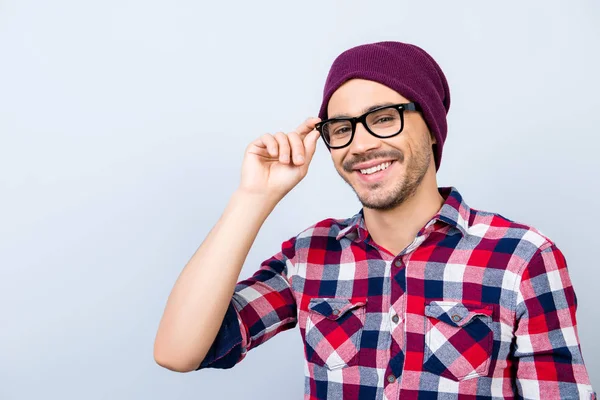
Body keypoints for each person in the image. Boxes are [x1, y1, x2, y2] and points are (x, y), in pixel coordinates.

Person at [154, 41, 596, 399]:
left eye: (383, 119)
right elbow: (180, 351)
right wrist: (253, 197)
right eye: (342, 128)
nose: (360, 145)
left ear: (431, 125)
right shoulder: (309, 256)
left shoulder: (522, 258)